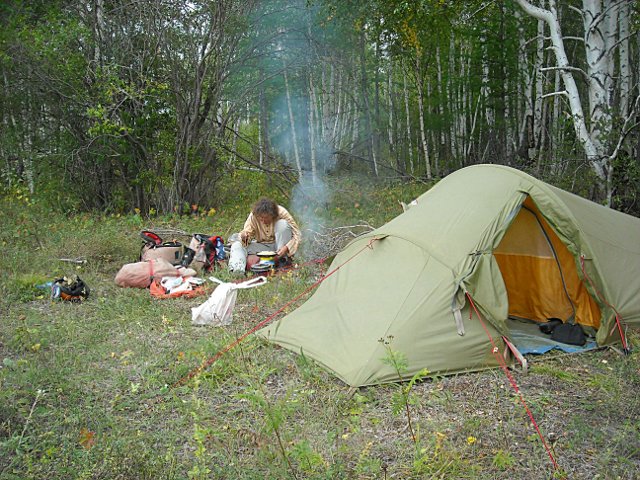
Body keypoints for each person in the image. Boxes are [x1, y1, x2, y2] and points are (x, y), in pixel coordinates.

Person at [228, 197, 301, 273]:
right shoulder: (254, 215)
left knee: (282, 224)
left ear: (272, 214)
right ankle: (237, 271)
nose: (262, 221)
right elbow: (247, 233)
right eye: (260, 218)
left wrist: (286, 248)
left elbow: (297, 234)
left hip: (280, 247)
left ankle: (283, 261)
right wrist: (244, 236)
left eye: (265, 218)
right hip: (263, 246)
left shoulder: (281, 212)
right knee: (237, 245)